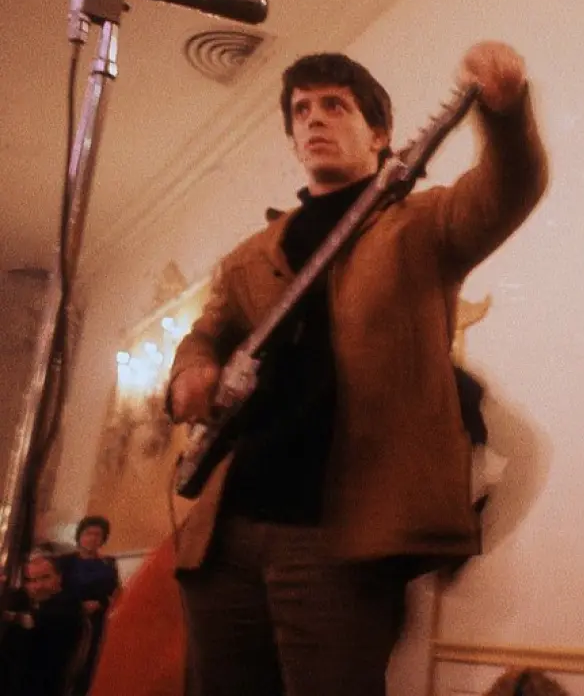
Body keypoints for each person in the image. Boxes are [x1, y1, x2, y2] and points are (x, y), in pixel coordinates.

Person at [166, 42, 547, 696]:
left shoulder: (421, 223)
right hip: (225, 533)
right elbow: (204, 336)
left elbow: (508, 188)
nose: (314, 118)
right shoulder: (251, 255)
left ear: (379, 133)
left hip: (339, 536)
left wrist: (505, 112)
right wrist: (189, 374)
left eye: (334, 105)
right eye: (301, 110)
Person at [0, 554, 86, 696]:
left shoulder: (68, 603)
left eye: (45, 577)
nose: (38, 586)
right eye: (31, 580)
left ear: (59, 577)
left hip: (37, 685)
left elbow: (36, 620)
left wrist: (10, 616)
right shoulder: (31, 601)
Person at [55, 516, 121, 694]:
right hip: (67, 618)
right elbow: (56, 590)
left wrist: (100, 603)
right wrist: (78, 605)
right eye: (88, 533)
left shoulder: (108, 563)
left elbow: (114, 592)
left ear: (103, 538)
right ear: (79, 535)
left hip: (96, 622)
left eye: (98, 535)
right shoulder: (64, 561)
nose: (92, 538)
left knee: (88, 665)